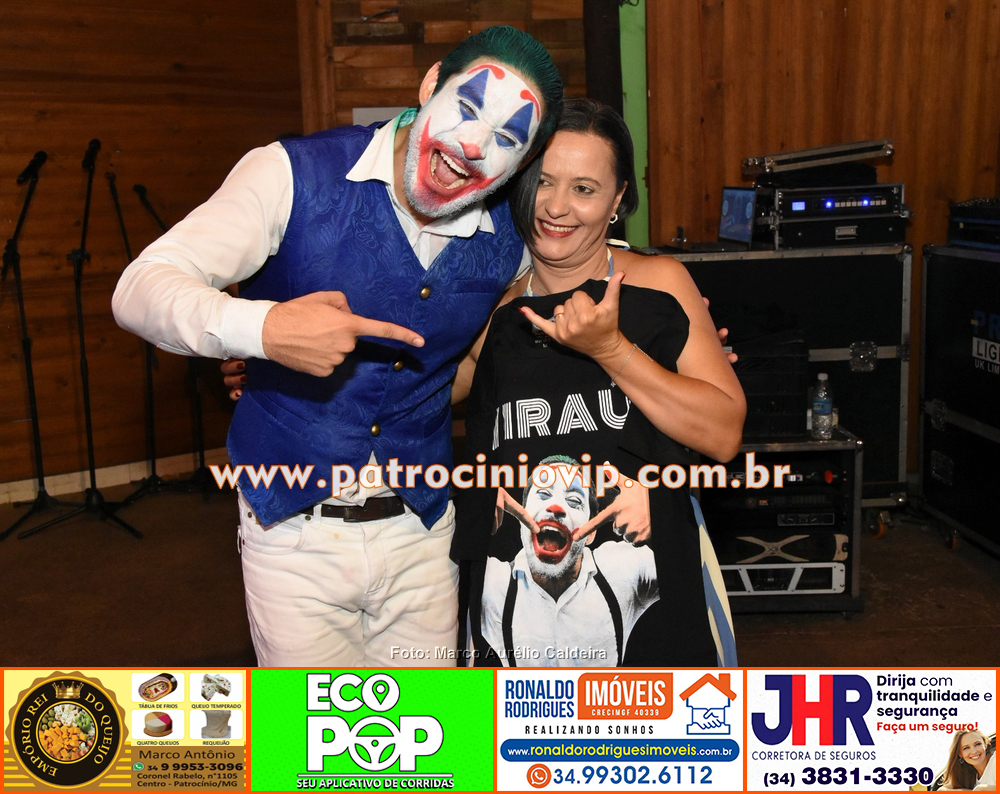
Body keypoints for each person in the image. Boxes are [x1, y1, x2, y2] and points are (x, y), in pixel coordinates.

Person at [112, 26, 563, 667]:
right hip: (291, 533)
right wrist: (265, 330)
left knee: (427, 727)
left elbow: (586, 273)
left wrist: (672, 309)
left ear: (523, 160)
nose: (472, 146)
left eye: (507, 139)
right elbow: (140, 287)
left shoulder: (511, 237)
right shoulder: (291, 174)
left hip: (423, 531)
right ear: (430, 84)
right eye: (466, 107)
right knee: (310, 729)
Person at [452, 97, 745, 667]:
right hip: (514, 605)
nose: (556, 206)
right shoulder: (496, 311)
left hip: (650, 591)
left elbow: (724, 433)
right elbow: (420, 393)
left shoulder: (658, 285)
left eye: (584, 189)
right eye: (543, 181)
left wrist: (611, 349)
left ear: (617, 200)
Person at [481, 455, 658, 666]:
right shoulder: (493, 584)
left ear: (591, 534)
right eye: (543, 494)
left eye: (574, 501)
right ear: (521, 517)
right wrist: (473, 505)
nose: (556, 507)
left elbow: (690, 572)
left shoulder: (622, 569)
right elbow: (444, 683)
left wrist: (659, 514)